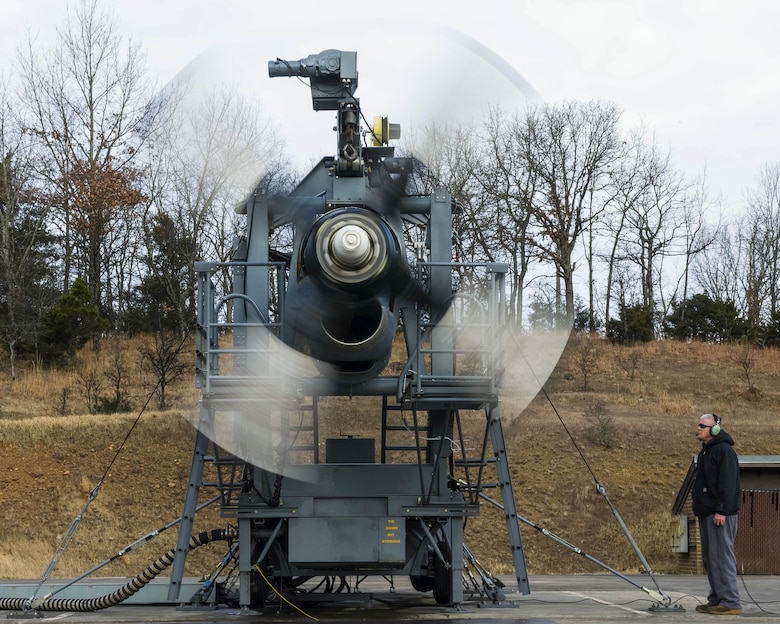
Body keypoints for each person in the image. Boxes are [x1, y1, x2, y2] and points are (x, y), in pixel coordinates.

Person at [691, 413, 741, 616]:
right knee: (710, 559)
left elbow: (728, 484)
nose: (698, 428)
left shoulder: (723, 451)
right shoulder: (706, 452)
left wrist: (722, 509)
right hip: (707, 513)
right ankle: (717, 599)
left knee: (721, 557)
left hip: (719, 514)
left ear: (715, 429)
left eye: (702, 425)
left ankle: (730, 601)